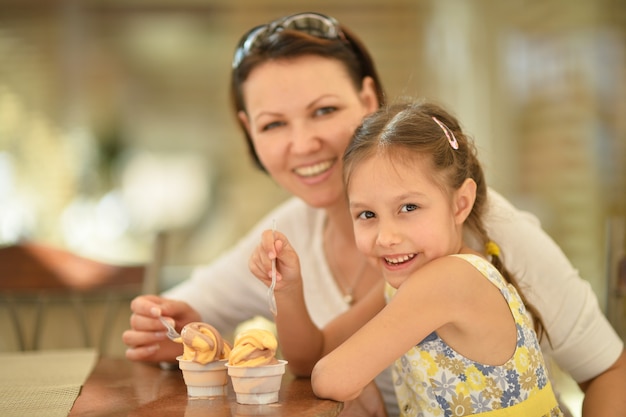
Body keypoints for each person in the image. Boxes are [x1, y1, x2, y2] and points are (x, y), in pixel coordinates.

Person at [122, 12, 626, 417]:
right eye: (274, 123)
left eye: (323, 111)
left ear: (367, 101)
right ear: (248, 131)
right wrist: (174, 327)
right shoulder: (306, 237)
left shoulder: (483, 235)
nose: (303, 143)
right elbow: (293, 347)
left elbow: (609, 370)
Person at [299, 100, 562, 415]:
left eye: (409, 207)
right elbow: (315, 354)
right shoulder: (414, 283)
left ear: (460, 204)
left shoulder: (448, 280)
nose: (386, 237)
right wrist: (286, 288)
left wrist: (359, 382)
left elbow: (330, 378)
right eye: (367, 214)